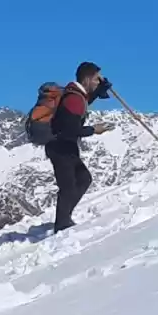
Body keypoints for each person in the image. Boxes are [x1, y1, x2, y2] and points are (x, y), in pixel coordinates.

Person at [47, 64, 112, 233]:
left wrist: (98, 92)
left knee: (83, 178)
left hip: (64, 146)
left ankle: (64, 217)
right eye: (98, 78)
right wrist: (93, 130)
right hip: (61, 148)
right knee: (68, 186)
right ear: (88, 79)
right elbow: (71, 129)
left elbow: (84, 102)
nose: (100, 81)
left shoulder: (76, 95)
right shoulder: (74, 98)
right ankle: (62, 225)